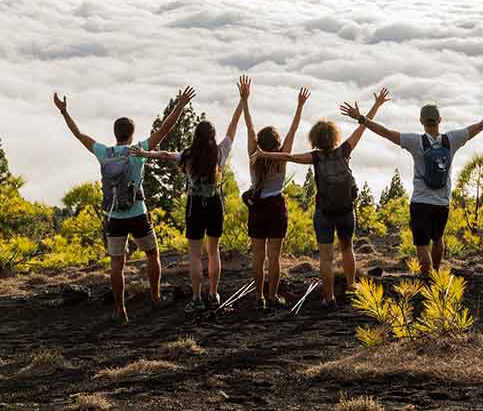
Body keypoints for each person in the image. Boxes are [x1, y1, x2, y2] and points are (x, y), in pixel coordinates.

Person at [340, 88, 483, 278]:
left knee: (421, 245)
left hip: (420, 202)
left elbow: (384, 132)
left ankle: (427, 280)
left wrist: (361, 118)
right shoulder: (452, 139)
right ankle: (436, 274)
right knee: (438, 239)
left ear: (421, 122)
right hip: (442, 203)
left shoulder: (415, 141)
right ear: (439, 120)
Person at [53, 87, 197, 324]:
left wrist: (64, 112)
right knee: (152, 254)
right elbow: (164, 130)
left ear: (115, 133)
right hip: (138, 214)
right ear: (131, 134)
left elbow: (79, 134)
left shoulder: (103, 152)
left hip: (114, 216)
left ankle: (120, 308)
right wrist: (180, 106)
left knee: (117, 264)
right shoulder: (138, 151)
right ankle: (155, 295)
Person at [252, 88, 390, 310]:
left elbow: (288, 156)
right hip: (346, 211)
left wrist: (264, 154)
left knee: (326, 257)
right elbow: (363, 127)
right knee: (347, 248)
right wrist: (376, 105)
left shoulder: (314, 158)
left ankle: (329, 298)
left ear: (314, 139)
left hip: (324, 213)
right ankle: (351, 286)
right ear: (334, 136)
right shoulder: (345, 150)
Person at [131, 92, 243, 312]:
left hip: (194, 207)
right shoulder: (219, 153)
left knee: (194, 255)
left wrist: (144, 152)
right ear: (212, 136)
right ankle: (213, 294)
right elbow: (233, 127)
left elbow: (164, 154)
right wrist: (242, 101)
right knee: (214, 252)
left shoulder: (188, 155)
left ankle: (196, 298)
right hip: (214, 204)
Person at [238, 74, 311, 310]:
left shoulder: (254, 156)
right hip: (276, 208)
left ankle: (259, 297)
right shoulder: (281, 158)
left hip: (257, 208)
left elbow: (249, 128)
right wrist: (299, 106)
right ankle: (272, 296)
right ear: (277, 143)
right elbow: (294, 128)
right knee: (274, 256)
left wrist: (245, 100)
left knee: (258, 255)